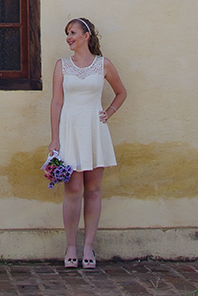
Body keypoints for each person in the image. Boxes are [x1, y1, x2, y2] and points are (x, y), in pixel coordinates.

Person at [48, 17, 127, 270]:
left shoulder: (103, 64)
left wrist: (109, 112)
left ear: (86, 35)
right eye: (66, 34)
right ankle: (71, 246)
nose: (69, 37)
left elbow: (121, 92)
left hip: (95, 130)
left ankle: (89, 247)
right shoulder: (62, 66)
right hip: (70, 130)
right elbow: (57, 102)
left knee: (93, 190)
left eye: (72, 32)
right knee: (72, 190)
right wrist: (55, 138)